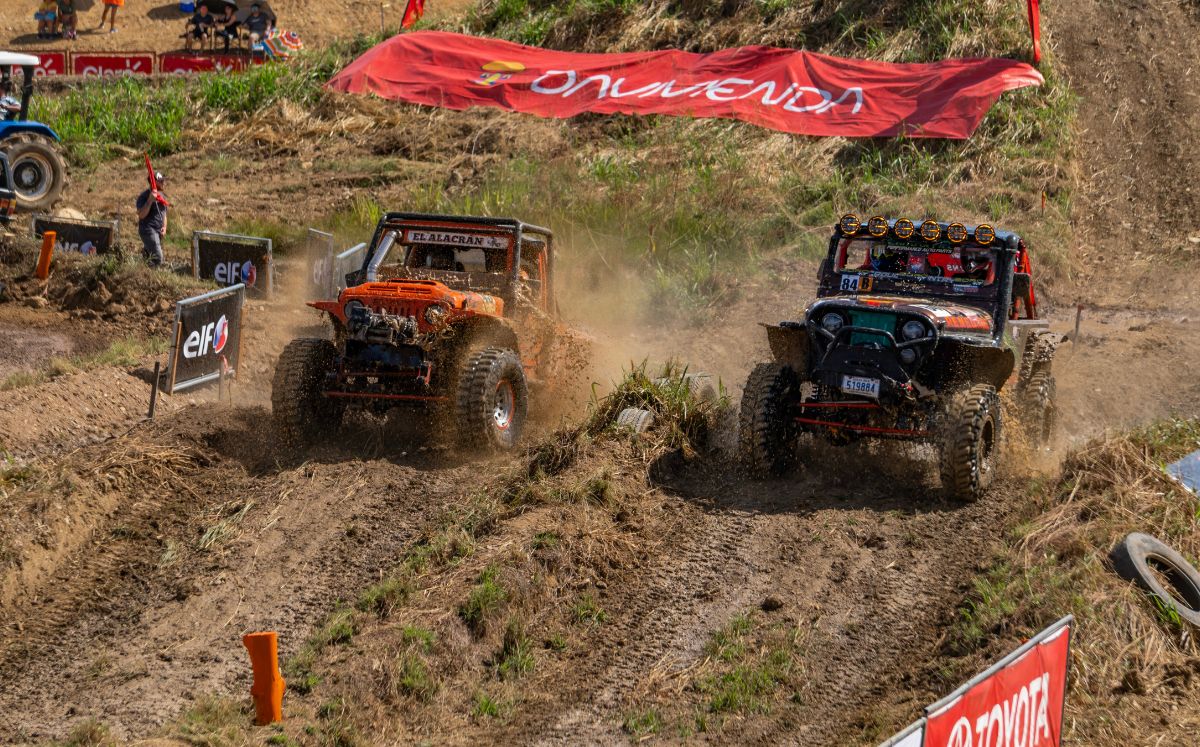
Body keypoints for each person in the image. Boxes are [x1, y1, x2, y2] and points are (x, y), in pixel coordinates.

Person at [136, 173, 168, 268]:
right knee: (158, 258)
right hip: (148, 230)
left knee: (148, 257)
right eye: (161, 181)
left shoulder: (162, 196)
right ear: (154, 183)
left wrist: (164, 227)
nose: (164, 183)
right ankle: (151, 275)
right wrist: (150, 200)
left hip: (158, 231)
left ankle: (142, 273)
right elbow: (141, 215)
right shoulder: (144, 196)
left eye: (164, 180)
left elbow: (164, 214)